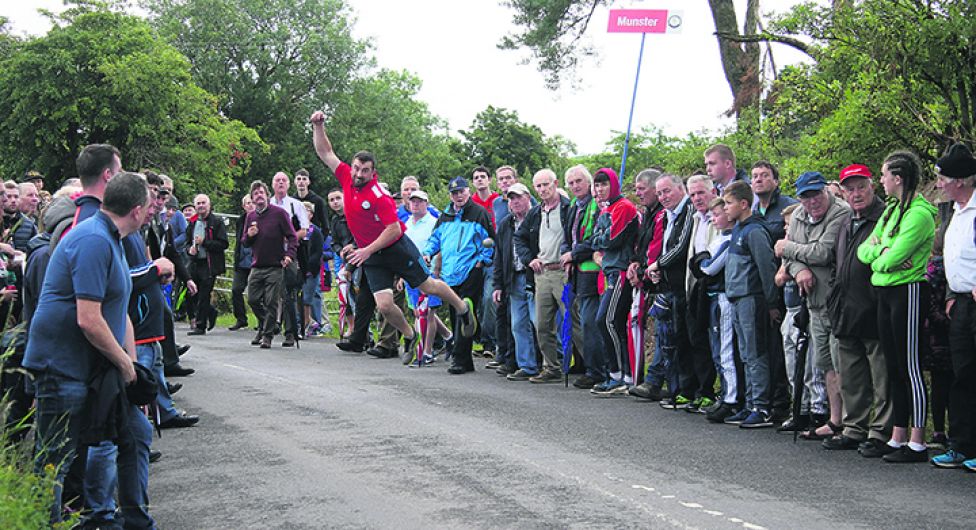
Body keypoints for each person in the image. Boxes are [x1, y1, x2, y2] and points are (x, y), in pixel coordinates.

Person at [24, 171, 155, 527]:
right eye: (150, 206)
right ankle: (43, 522)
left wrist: (132, 369)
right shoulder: (94, 239)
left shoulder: (112, 238)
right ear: (138, 209)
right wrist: (126, 368)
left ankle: (135, 521)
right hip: (62, 365)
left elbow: (120, 311)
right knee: (56, 456)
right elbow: (88, 318)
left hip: (94, 367)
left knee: (137, 432)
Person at [311, 110, 478, 362]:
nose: (358, 174)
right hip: (372, 253)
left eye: (364, 171)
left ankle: (463, 308)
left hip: (395, 248)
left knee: (427, 285)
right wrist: (318, 126)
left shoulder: (379, 195)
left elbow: (395, 229)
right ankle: (411, 335)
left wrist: (365, 250)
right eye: (356, 168)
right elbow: (325, 153)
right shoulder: (346, 176)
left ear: (372, 172)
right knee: (385, 305)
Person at [857, 149, 936, 463]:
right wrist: (882, 256)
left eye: (884, 174)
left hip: (909, 290)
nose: (881, 180)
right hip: (885, 292)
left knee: (910, 366)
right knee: (891, 365)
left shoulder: (919, 213)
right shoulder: (890, 211)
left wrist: (883, 255)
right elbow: (867, 252)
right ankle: (897, 435)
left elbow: (891, 255)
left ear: (898, 178)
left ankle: (917, 441)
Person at [823, 164, 894, 454]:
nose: (856, 194)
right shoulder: (844, 222)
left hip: (875, 307)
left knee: (882, 375)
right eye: (849, 189)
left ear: (871, 186)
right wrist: (833, 299)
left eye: (860, 187)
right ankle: (854, 428)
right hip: (846, 309)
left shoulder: (885, 217)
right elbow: (835, 265)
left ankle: (881, 430)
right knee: (851, 376)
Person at [776, 171, 851, 440]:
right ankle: (834, 420)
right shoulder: (797, 215)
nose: (812, 201)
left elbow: (823, 252)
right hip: (814, 301)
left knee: (843, 362)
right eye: (806, 196)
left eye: (816, 194)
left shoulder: (840, 212)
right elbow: (791, 259)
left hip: (838, 299)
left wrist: (788, 248)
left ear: (826, 191)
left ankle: (852, 423)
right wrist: (798, 271)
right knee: (825, 364)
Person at [930, 143, 976, 471]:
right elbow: (951, 258)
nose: (939, 183)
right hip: (959, 303)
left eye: (943, 178)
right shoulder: (955, 212)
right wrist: (948, 294)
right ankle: (961, 444)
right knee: (963, 376)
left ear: (959, 180)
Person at [722, 181, 779, 428]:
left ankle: (762, 407)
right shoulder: (738, 229)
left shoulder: (754, 231)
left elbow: (767, 267)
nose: (725, 208)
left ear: (744, 204)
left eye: (728, 203)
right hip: (737, 298)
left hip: (751, 298)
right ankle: (750, 403)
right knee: (745, 353)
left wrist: (771, 301)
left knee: (756, 353)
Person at [424, 176, 495, 374]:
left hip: (471, 270)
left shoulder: (478, 213)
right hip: (449, 273)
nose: (458, 196)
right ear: (450, 195)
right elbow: (435, 239)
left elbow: (489, 240)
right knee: (458, 314)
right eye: (454, 193)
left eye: (461, 192)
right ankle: (467, 359)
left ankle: (459, 358)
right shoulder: (445, 215)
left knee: (465, 311)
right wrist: (427, 252)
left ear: (468, 192)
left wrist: (482, 261)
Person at [514, 169, 572, 383]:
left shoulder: (569, 208)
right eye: (538, 186)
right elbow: (518, 238)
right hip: (542, 273)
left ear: (555, 183)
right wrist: (530, 259)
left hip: (563, 272)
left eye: (546, 184)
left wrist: (572, 255)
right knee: (543, 324)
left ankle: (588, 367)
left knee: (572, 321)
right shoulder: (535, 212)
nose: (542, 189)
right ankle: (551, 367)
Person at [590, 168, 639, 395]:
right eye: (597, 185)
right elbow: (593, 240)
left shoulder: (624, 207)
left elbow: (610, 239)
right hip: (610, 270)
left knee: (606, 321)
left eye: (604, 184)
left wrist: (602, 236)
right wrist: (601, 236)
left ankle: (618, 374)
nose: (600, 189)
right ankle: (621, 375)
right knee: (613, 323)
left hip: (620, 270)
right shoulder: (606, 209)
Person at [647, 174, 695, 407]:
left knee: (683, 341)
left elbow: (682, 247)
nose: (663, 197)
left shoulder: (689, 211)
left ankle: (688, 391)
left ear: (680, 188)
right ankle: (677, 390)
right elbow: (664, 247)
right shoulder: (667, 215)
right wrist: (657, 269)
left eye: (667, 191)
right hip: (668, 284)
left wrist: (659, 265)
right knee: (670, 340)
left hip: (684, 287)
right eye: (659, 193)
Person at [562, 165, 610, 389]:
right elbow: (567, 234)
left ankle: (597, 371)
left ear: (589, 182)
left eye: (579, 181)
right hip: (578, 272)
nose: (575, 186)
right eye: (571, 183)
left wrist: (573, 254)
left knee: (592, 322)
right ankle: (588, 366)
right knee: (580, 321)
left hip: (594, 271)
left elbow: (596, 238)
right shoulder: (573, 205)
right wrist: (567, 254)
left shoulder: (597, 205)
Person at [241, 180, 299, 349]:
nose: (259, 196)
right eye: (255, 194)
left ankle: (267, 336)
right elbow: (244, 242)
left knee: (271, 301)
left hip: (275, 265)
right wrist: (250, 235)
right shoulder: (250, 216)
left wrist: (289, 255)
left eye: (261, 192)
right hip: (257, 264)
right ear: (252, 199)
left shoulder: (279, 213)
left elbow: (292, 237)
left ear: (267, 195)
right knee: (252, 299)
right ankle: (267, 324)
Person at [626, 169, 667, 398]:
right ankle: (646, 378)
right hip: (644, 276)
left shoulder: (662, 214)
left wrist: (642, 271)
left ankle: (651, 379)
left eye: (642, 188)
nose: (638, 193)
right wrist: (634, 263)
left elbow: (657, 246)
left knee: (661, 331)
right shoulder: (648, 213)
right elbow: (641, 245)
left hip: (657, 279)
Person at [680, 175, 720, 412]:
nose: (696, 198)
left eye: (701, 193)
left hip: (713, 286)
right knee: (696, 340)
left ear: (712, 192)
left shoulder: (719, 217)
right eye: (692, 194)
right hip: (694, 286)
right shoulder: (695, 218)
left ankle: (713, 392)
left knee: (714, 343)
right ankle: (702, 391)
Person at [492, 183, 538, 379]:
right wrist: (497, 285)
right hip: (514, 279)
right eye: (511, 198)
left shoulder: (539, 218)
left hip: (536, 278)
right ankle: (527, 366)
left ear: (528, 197)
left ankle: (552, 364)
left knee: (539, 323)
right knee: (518, 324)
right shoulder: (505, 224)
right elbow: (499, 256)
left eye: (518, 197)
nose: (515, 202)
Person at [403, 190, 451, 363]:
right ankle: (447, 336)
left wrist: (437, 269)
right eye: (413, 201)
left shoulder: (434, 222)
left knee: (429, 312)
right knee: (418, 312)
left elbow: (440, 247)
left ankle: (427, 351)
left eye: (420, 201)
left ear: (426, 203)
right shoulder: (406, 224)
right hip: (411, 272)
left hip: (430, 272)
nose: (416, 204)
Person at [186, 194, 229, 335]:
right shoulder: (192, 222)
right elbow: (186, 243)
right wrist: (189, 250)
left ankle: (200, 325)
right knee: (192, 293)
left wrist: (204, 243)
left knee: (204, 294)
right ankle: (210, 312)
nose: (201, 206)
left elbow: (223, 243)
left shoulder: (216, 222)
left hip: (210, 264)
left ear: (209, 205)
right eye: (198, 203)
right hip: (195, 262)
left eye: (203, 203)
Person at [471, 166, 500, 358]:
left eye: (483, 176)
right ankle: (477, 339)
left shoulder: (498, 201)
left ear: (489, 180)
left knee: (490, 298)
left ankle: (490, 341)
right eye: (476, 177)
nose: (480, 180)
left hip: (494, 255)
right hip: (473, 257)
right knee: (475, 301)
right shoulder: (470, 202)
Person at [230, 195, 256, 330]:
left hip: (255, 261)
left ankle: (262, 320)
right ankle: (241, 318)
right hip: (241, 261)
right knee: (236, 290)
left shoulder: (260, 219)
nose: (250, 205)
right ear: (243, 206)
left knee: (257, 294)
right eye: (247, 203)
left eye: (252, 203)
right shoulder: (241, 220)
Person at [301, 201, 326, 337]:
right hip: (299, 269)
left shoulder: (316, 231)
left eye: (307, 211)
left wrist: (308, 265)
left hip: (311, 270)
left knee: (307, 299)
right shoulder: (297, 229)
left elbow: (318, 252)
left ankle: (308, 323)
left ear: (311, 214)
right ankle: (305, 323)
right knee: (298, 298)